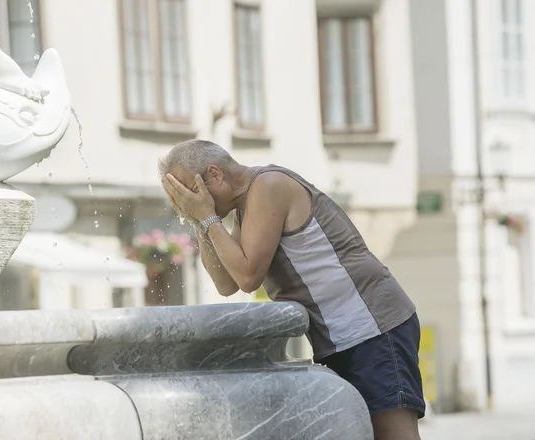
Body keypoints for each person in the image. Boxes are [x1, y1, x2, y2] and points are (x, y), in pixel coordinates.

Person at [160, 139, 424, 440]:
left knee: (394, 434)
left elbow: (248, 276)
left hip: (374, 325)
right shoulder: (245, 206)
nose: (185, 202)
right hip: (344, 336)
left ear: (215, 175)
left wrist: (207, 216)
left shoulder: (269, 186)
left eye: (187, 192)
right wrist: (199, 219)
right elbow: (226, 283)